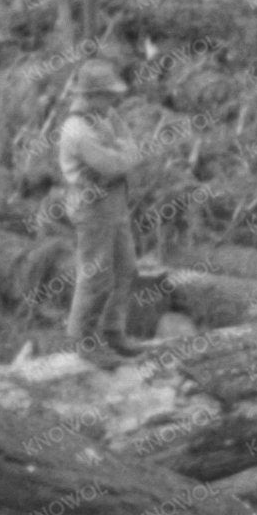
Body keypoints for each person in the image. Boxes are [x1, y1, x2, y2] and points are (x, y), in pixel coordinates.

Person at [56, 57, 144, 357]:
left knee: (126, 268)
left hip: (114, 204)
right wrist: (125, 151)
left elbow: (131, 149)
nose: (113, 99)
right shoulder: (78, 130)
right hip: (92, 207)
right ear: (91, 95)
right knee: (95, 275)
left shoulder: (105, 117)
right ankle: (82, 339)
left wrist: (126, 150)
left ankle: (112, 330)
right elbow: (115, 164)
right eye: (107, 94)